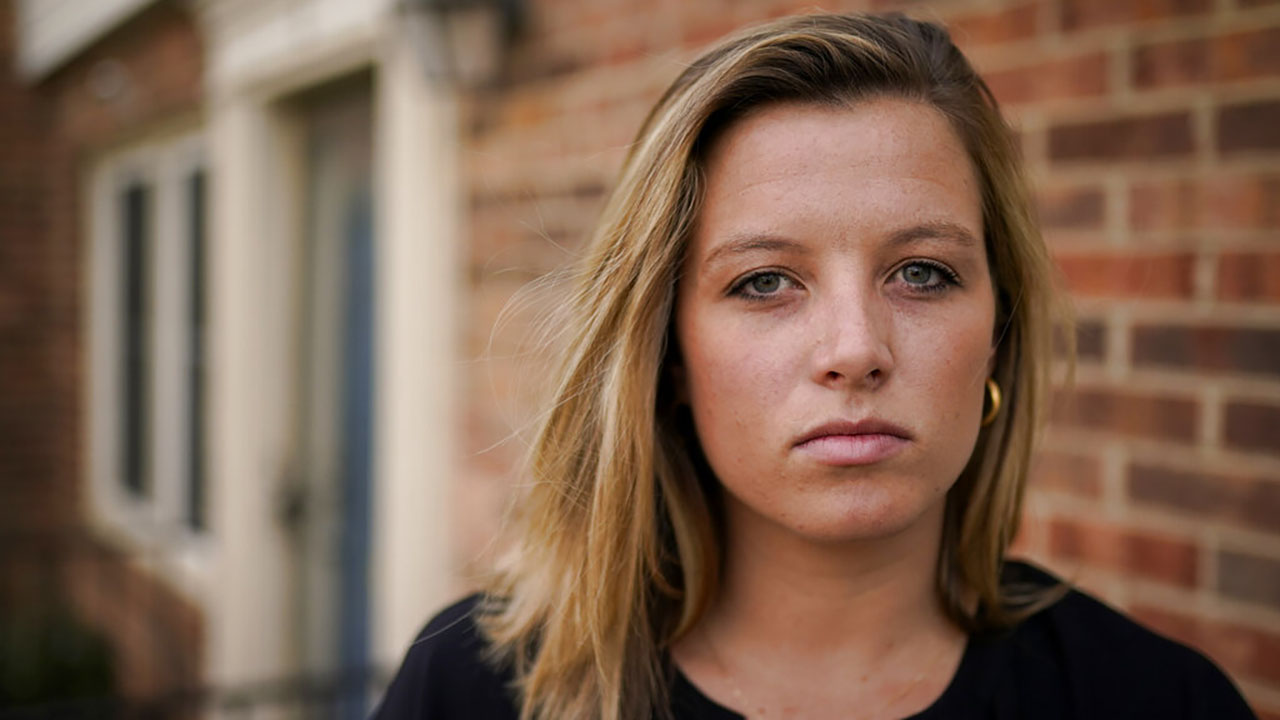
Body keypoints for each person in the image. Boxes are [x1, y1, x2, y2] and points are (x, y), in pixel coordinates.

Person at [372, 12, 1256, 720]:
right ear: (668, 350)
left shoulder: (1156, 700)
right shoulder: (474, 690)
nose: (855, 351)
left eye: (922, 273)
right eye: (764, 282)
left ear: (999, 330)